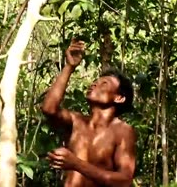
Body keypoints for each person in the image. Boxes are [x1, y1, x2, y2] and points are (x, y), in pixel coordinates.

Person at [42, 39, 136, 187]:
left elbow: (124, 180)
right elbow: (49, 109)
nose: (95, 84)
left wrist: (76, 163)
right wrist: (69, 66)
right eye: (95, 82)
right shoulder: (77, 121)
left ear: (119, 98)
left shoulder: (123, 131)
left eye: (104, 84)